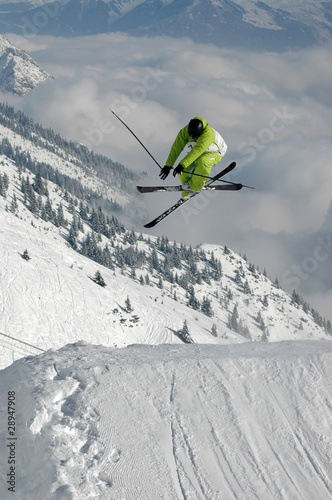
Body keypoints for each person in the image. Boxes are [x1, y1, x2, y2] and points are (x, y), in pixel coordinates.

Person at [159, 117, 227, 199]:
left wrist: (182, 164)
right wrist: (168, 165)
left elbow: (197, 151)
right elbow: (176, 148)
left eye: (196, 137)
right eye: (192, 136)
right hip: (199, 151)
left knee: (204, 161)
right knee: (182, 171)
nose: (194, 138)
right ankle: (186, 193)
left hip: (216, 152)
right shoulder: (184, 132)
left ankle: (195, 187)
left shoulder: (208, 135)